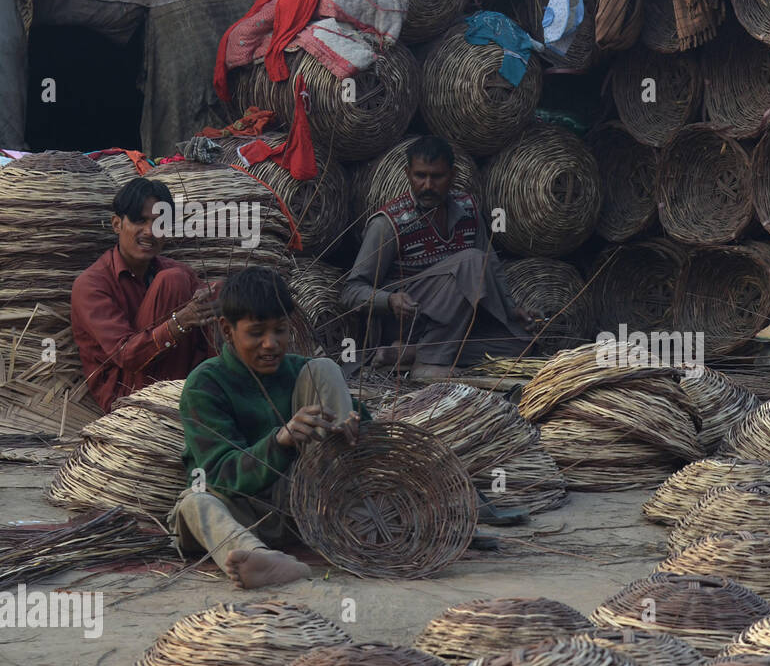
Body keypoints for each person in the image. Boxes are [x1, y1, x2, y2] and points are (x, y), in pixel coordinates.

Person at [171, 266, 364, 590]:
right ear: (227, 329)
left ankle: (344, 515)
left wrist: (355, 433)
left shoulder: (303, 371)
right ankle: (257, 558)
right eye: (256, 332)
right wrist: (279, 441)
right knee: (195, 502)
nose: (271, 344)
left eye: (280, 330)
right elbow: (218, 474)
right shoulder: (206, 384)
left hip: (307, 505)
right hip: (242, 513)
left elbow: (358, 418)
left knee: (325, 367)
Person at [340, 136, 542, 380]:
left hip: (454, 326)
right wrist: (389, 299)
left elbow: (491, 266)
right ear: (407, 173)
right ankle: (427, 363)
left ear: (453, 175)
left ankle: (409, 354)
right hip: (409, 320)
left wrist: (511, 309)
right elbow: (351, 291)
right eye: (420, 176)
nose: (427, 185)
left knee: (522, 343)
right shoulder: (389, 223)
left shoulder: (468, 210)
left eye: (437, 177)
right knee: (471, 261)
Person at [70, 177, 218, 411]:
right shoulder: (91, 285)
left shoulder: (176, 270)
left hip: (182, 383)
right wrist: (180, 322)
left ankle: (214, 394)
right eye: (140, 221)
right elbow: (128, 356)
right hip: (127, 397)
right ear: (117, 224)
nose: (150, 232)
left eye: (159, 224)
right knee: (173, 281)